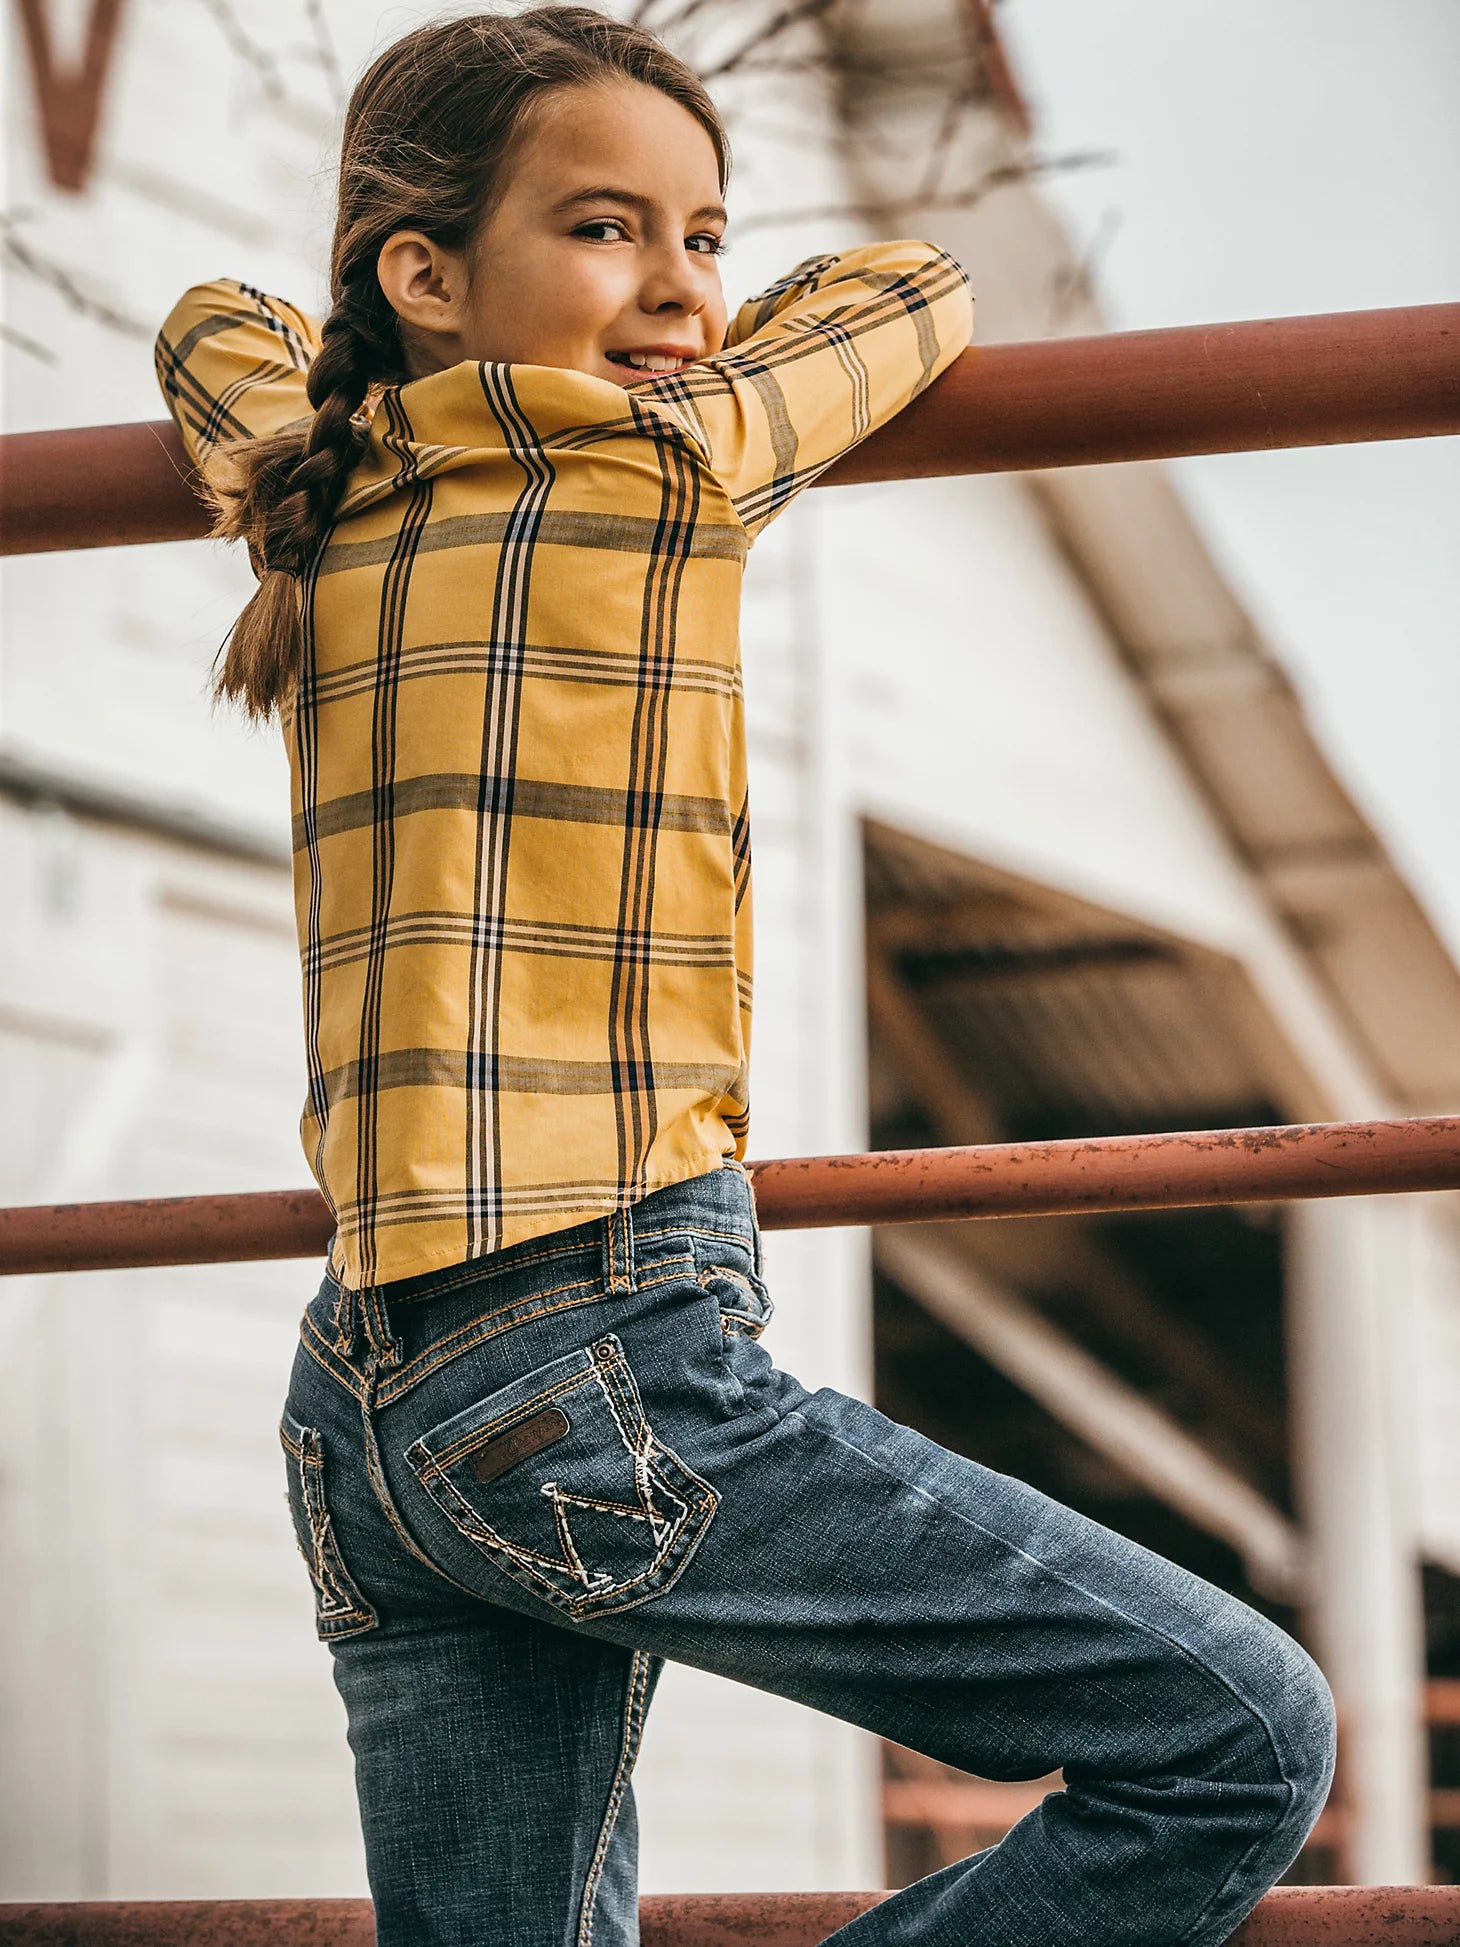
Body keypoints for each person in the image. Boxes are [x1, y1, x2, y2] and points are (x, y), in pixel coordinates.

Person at [154, 9, 1335, 1943]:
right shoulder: (655, 466)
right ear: (426, 271)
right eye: (611, 229)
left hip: (363, 1395)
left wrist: (381, 351)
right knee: (1238, 1737)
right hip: (597, 1352)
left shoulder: (315, 482)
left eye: (707, 235)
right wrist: (684, 317)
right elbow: (908, 283)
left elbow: (213, 316)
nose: (685, 292)